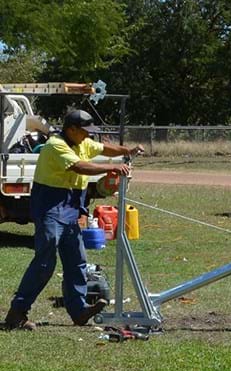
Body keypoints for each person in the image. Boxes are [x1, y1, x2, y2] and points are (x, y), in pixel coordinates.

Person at [4, 110, 144, 330]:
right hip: (50, 207)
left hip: (70, 208)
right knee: (44, 262)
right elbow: (79, 166)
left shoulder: (82, 143)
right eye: (85, 131)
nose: (88, 136)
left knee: (76, 259)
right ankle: (16, 313)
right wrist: (112, 167)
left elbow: (104, 148)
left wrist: (127, 150)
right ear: (71, 129)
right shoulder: (55, 145)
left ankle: (79, 312)